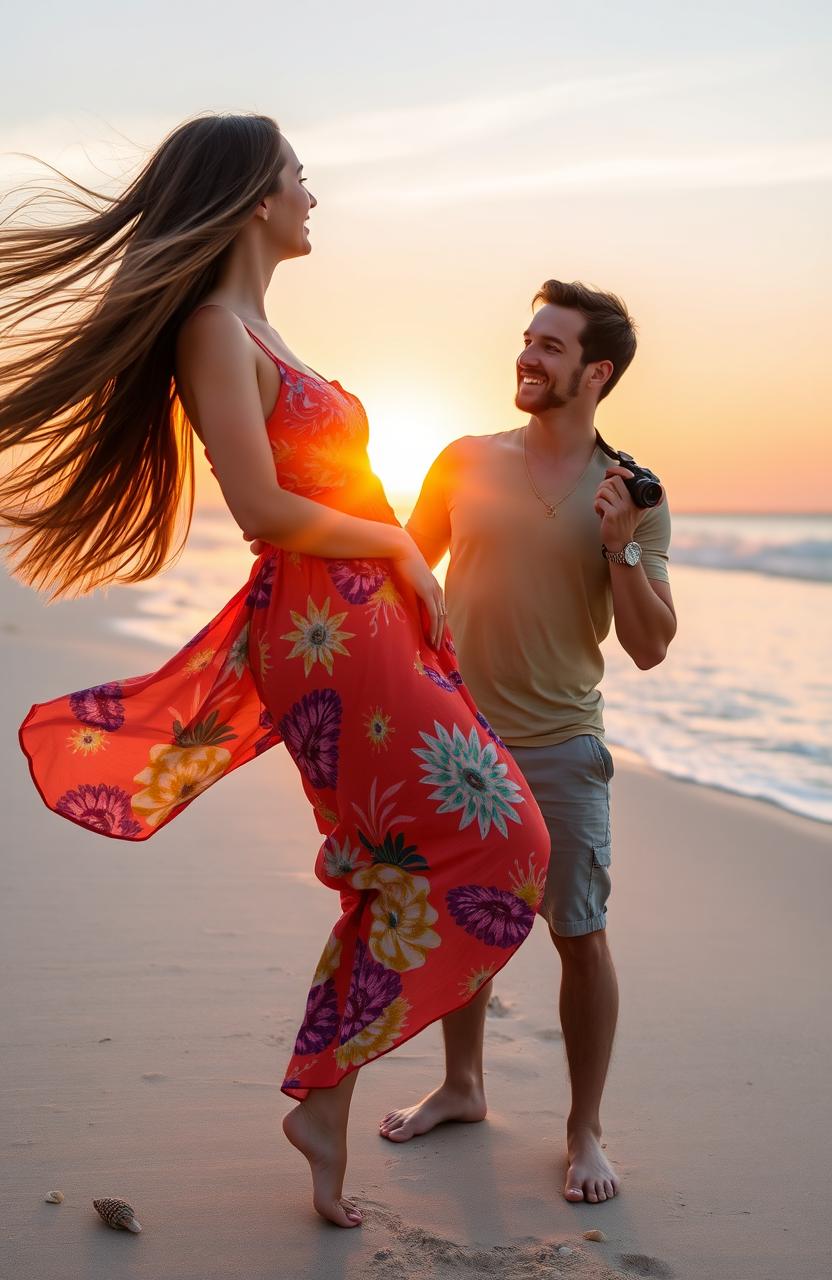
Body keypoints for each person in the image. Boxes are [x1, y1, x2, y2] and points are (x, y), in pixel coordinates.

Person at [1, 114, 551, 1229]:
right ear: (256, 196)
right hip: (324, 634)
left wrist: (406, 572)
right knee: (497, 837)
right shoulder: (215, 328)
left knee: (411, 859)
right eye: (299, 176)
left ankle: (324, 1102)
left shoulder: (264, 327)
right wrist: (398, 547)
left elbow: (336, 480)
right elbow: (261, 508)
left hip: (372, 625)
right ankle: (327, 1088)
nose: (313, 194)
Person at [374, 280, 677, 1205]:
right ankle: (463, 1087)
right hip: (455, 737)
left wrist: (621, 544)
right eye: (527, 339)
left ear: (597, 372)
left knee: (577, 934)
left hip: (560, 745)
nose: (528, 357)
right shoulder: (465, 459)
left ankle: (584, 1130)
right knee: (463, 918)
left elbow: (651, 646)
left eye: (550, 347)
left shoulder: (633, 493)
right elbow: (399, 563)